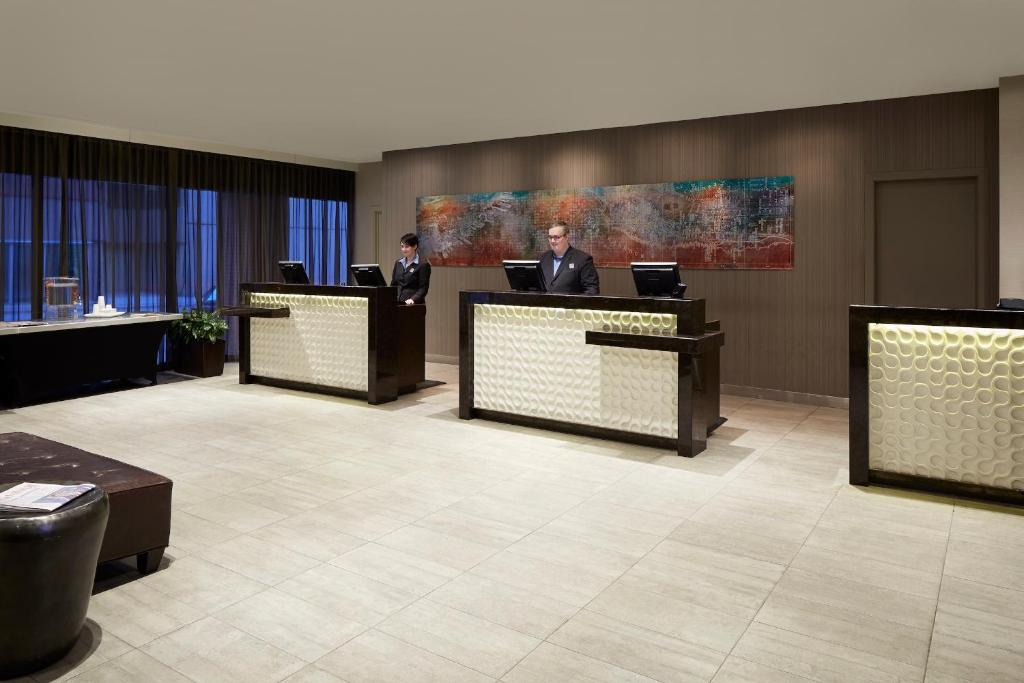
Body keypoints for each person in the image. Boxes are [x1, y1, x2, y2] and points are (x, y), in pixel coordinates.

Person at [539, 222, 600, 294]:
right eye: (550, 237)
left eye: (556, 237)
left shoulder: (583, 259)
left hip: (571, 304)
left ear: (567, 237)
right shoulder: (544, 258)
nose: (552, 241)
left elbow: (591, 290)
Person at [391, 233, 431, 304]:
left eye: (406, 247)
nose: (403, 249)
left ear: (415, 246)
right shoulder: (398, 263)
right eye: (402, 246)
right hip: (397, 303)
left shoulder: (423, 265)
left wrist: (412, 300)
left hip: (413, 305)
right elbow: (393, 284)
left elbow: (423, 288)